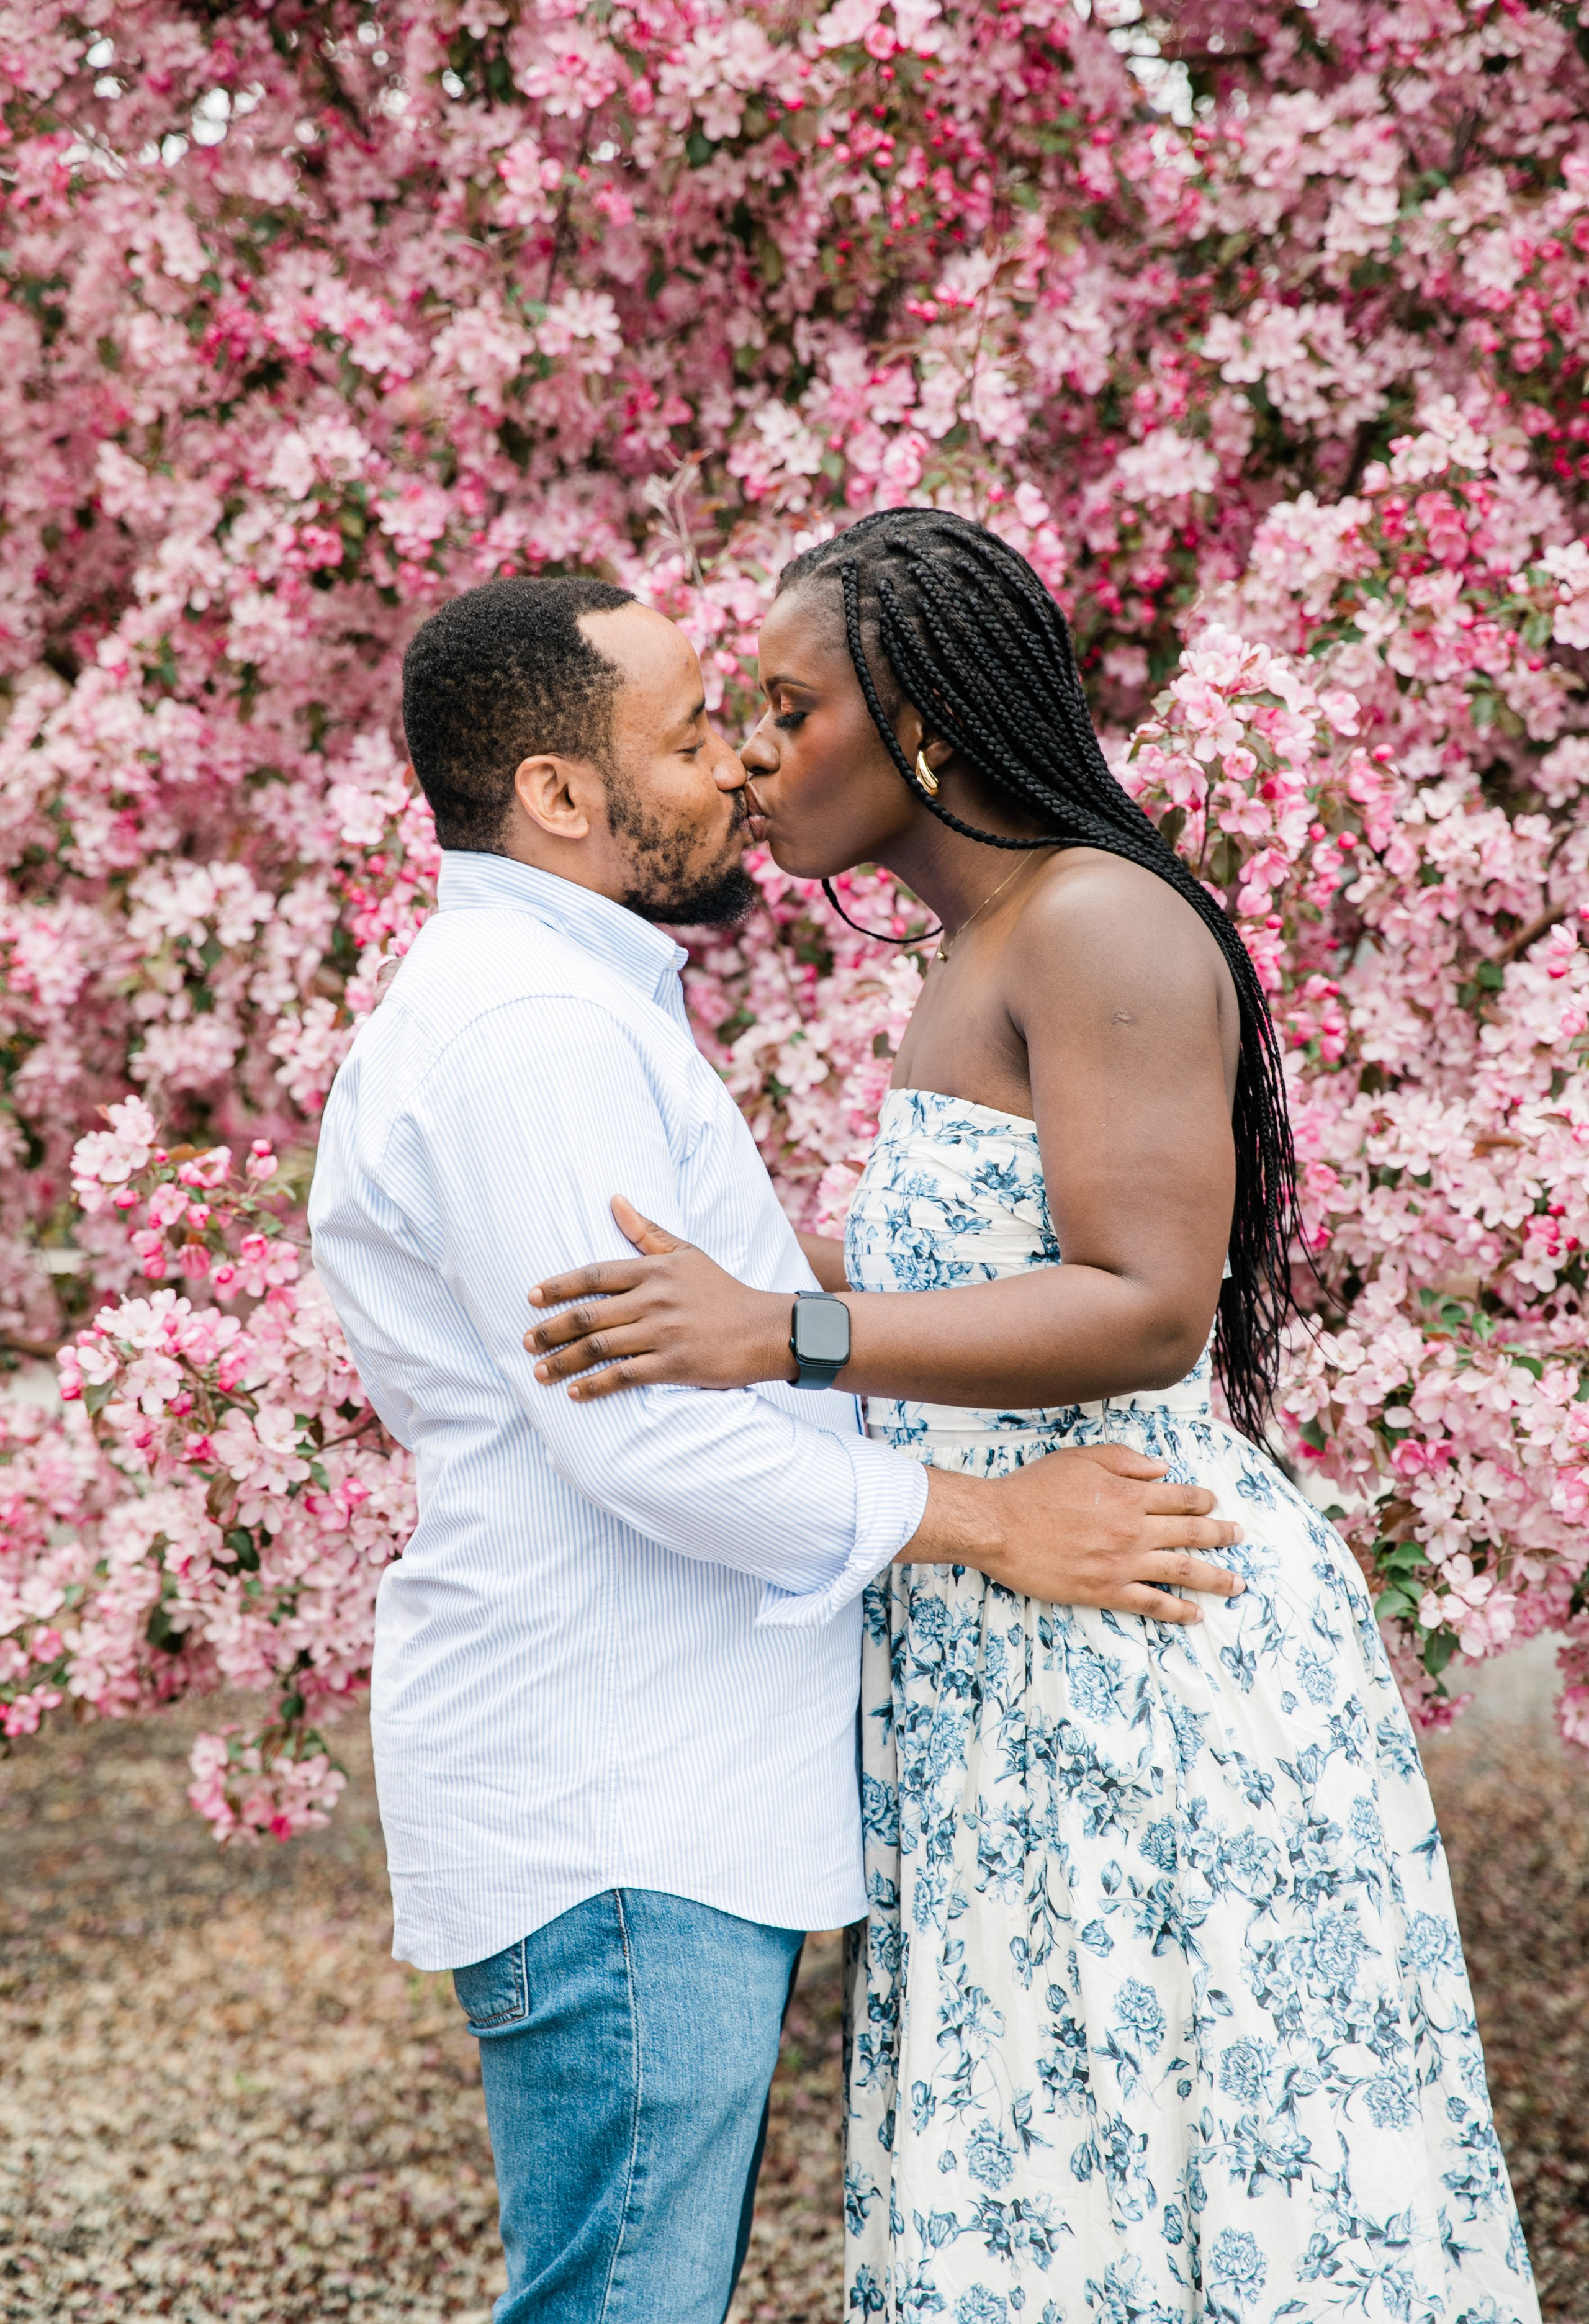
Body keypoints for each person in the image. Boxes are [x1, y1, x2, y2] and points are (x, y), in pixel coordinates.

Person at [524, 513, 1541, 2324]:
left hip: (1141, 1638)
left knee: (1184, 2155)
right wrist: (728, 1281)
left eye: (787, 705)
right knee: (1053, 2170)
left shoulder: (1097, 919)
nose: (752, 754)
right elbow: (991, 1264)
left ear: (920, 726)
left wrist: (785, 1328)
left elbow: (1149, 1298)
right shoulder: (982, 944)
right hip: (1010, 1635)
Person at [306, 572, 1244, 2324]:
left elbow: (699, 1321)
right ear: (561, 796)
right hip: (621, 1804)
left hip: (656, 1795)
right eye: (681, 736)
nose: (735, 766)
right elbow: (649, 1436)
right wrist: (989, 1520)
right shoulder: (533, 1036)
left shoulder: (574, 1005)